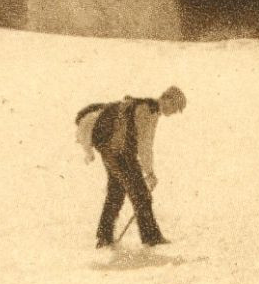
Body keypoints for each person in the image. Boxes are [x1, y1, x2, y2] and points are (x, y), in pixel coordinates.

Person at [75, 86, 187, 248]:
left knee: (116, 191)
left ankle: (104, 237)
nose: (175, 112)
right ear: (167, 99)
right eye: (176, 107)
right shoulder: (147, 110)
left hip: (110, 149)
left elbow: (143, 144)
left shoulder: (147, 108)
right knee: (141, 194)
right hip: (119, 152)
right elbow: (144, 146)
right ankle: (151, 237)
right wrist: (149, 173)